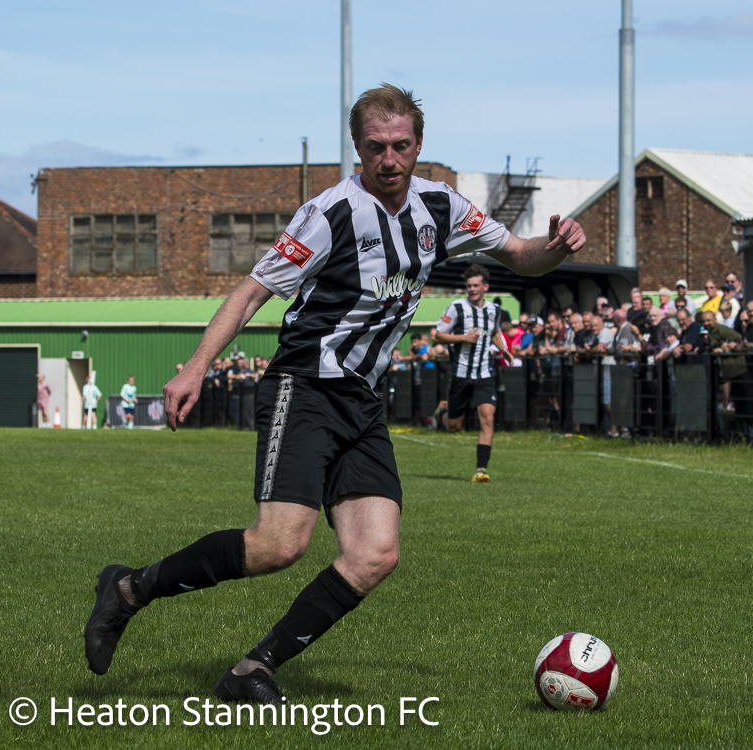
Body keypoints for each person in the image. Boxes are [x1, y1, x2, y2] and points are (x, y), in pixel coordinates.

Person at [83, 83, 586, 704]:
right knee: (277, 545)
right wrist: (194, 368)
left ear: (419, 145)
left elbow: (520, 256)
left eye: (401, 145)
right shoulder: (330, 214)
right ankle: (129, 589)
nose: (389, 159)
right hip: (307, 385)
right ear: (357, 149)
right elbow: (250, 293)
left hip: (364, 401)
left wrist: (556, 247)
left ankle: (252, 670)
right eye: (376, 147)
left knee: (374, 553)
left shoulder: (442, 205)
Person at [433, 263, 513, 481]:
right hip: (460, 375)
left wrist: (504, 350)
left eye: (476, 285)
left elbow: (494, 331)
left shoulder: (494, 310)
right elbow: (438, 336)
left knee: (488, 417)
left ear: (485, 287)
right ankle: (442, 414)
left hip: (484, 375)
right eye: (469, 286)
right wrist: (462, 338)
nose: (472, 289)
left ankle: (481, 470)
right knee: (453, 427)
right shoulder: (456, 307)